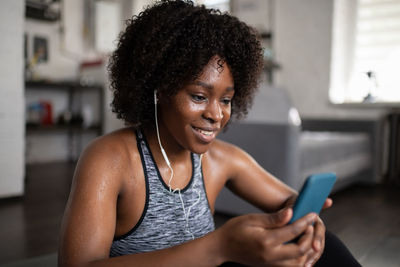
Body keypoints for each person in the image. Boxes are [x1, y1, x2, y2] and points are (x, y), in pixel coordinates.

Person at [58, 1, 361, 266]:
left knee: (326, 247)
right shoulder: (109, 159)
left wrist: (307, 224)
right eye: (199, 96)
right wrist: (219, 246)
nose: (216, 115)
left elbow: (289, 204)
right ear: (160, 90)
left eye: (226, 100)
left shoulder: (221, 159)